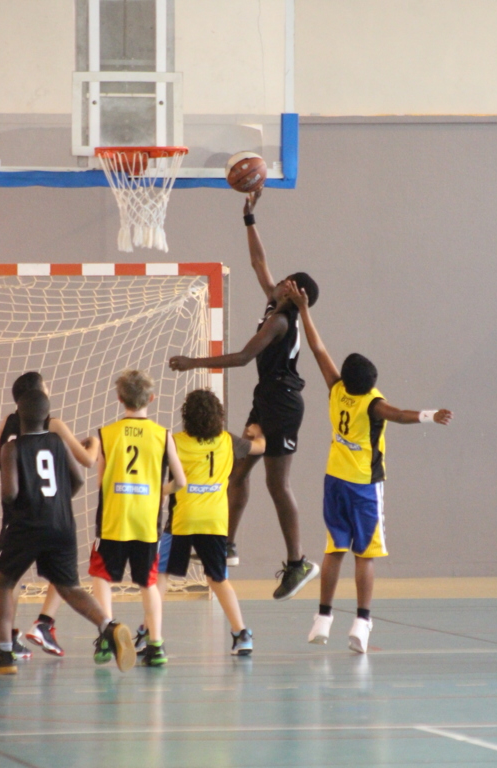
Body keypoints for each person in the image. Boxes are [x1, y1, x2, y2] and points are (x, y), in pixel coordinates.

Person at [286, 281, 453, 653]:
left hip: (334, 481)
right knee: (366, 554)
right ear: (369, 384)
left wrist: (304, 310)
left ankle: (323, 618)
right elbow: (401, 414)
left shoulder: (336, 388)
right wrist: (431, 415)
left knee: (335, 549)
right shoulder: (373, 404)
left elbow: (317, 348)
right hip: (364, 485)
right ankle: (362, 623)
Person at [169, 192, 319, 601]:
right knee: (237, 470)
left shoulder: (282, 321)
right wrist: (249, 218)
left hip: (283, 402)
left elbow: (242, 356)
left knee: (277, 483)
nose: (281, 281)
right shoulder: (274, 302)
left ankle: (298, 561)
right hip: (266, 397)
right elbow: (258, 261)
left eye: (289, 282)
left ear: (296, 294)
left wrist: (193, 362)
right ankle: (227, 544)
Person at [0, 389, 135, 675]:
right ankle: (109, 626)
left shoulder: (12, 448)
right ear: (47, 416)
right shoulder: (57, 441)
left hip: (26, 526)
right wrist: (56, 502)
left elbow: (10, 493)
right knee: (69, 587)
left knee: (3, 584)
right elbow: (78, 478)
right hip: (62, 524)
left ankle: (4, 653)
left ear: (18, 416)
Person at [136, 389, 265, 657]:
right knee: (218, 579)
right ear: (218, 416)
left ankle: (147, 633)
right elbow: (260, 447)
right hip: (215, 522)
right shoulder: (228, 440)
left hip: (182, 520)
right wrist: (258, 433)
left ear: (187, 417)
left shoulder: (173, 442)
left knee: (161, 576)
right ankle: (241, 634)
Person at [0, 371, 99, 658]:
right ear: (39, 395)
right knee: (65, 578)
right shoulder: (54, 426)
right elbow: (87, 463)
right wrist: (94, 443)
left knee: (7, 578)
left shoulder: (8, 422)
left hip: (17, 515)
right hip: (50, 511)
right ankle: (47, 622)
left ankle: (8, 640)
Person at [89, 369, 186, 668]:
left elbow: (100, 482)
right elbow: (181, 481)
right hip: (146, 522)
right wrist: (160, 491)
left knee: (102, 577)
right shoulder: (162, 435)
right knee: (148, 582)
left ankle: (107, 636)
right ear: (152, 398)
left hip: (114, 519)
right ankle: (156, 645)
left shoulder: (107, 434)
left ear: (120, 399)